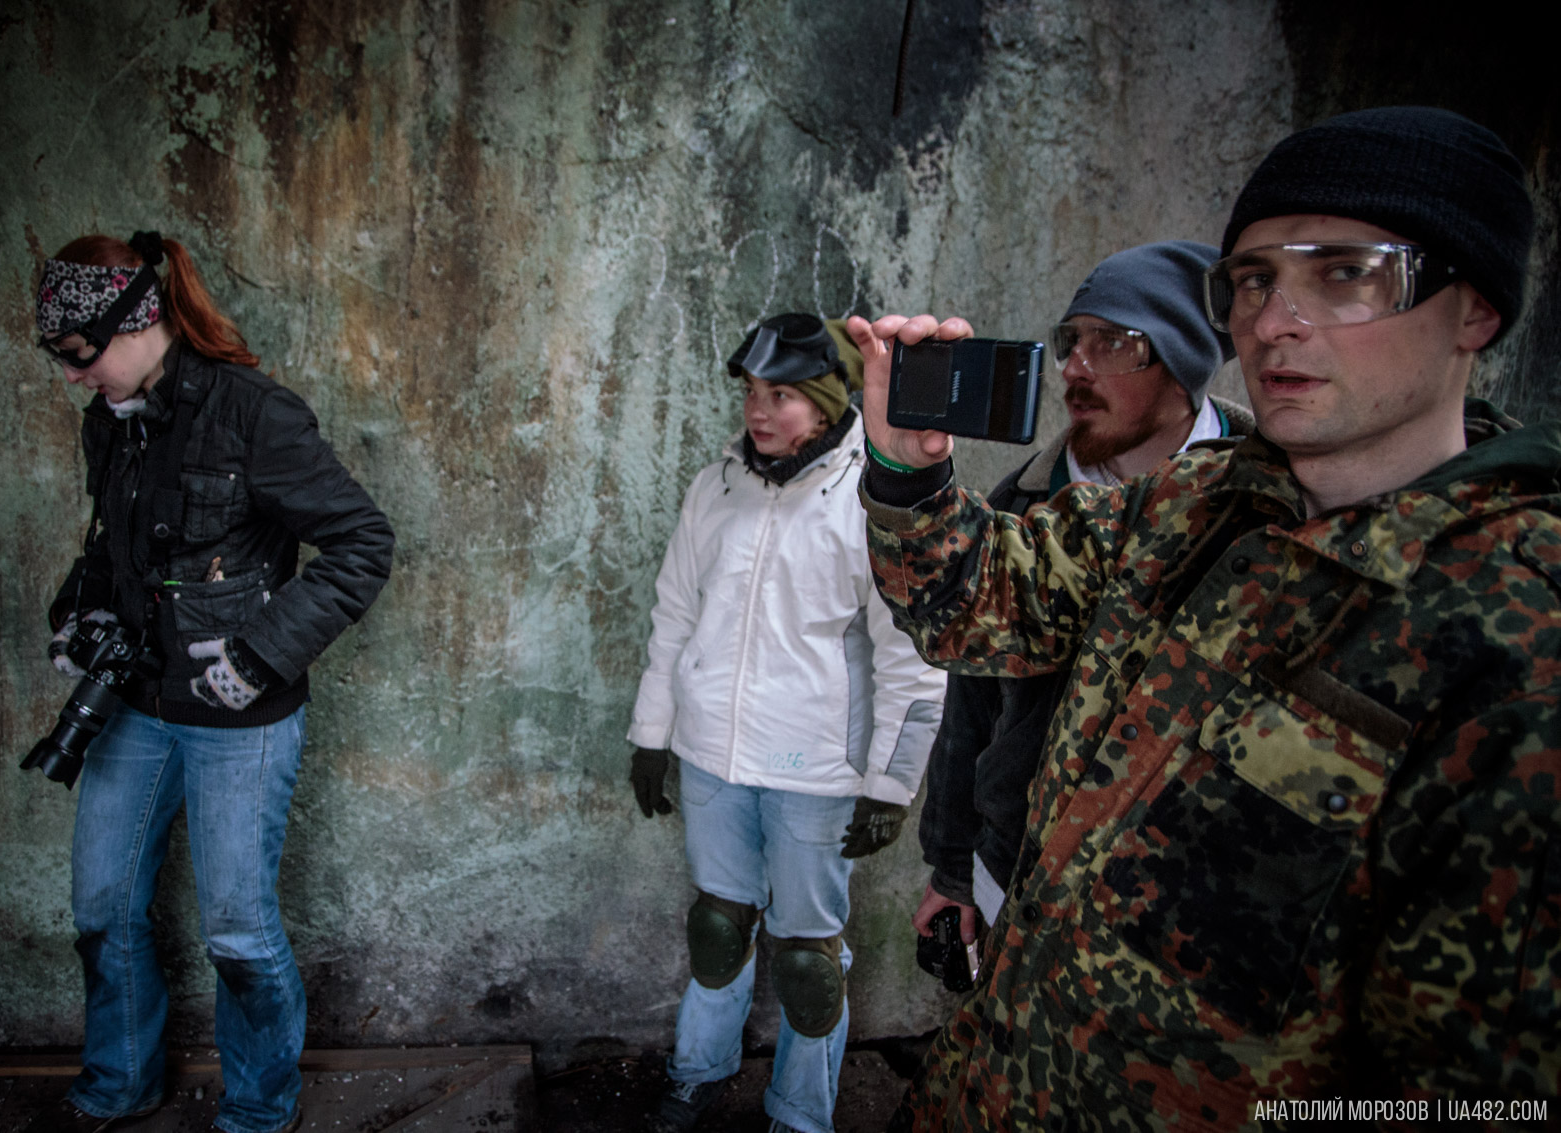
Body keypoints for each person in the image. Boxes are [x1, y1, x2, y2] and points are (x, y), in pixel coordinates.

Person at [854, 107, 1559, 1127]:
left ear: (1475, 310)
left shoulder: (1518, 643)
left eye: (1345, 272)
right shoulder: (1197, 502)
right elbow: (981, 605)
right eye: (1254, 279)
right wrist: (904, 469)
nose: (1274, 320)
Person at [25, 231, 394, 1133]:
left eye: (81, 354)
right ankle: (120, 1082)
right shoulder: (109, 420)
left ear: (135, 321)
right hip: (135, 707)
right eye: (61, 358)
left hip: (241, 719)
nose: (73, 376)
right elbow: (111, 547)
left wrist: (258, 658)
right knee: (102, 906)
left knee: (236, 929)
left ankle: (259, 1109)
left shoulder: (254, 413)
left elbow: (362, 543)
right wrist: (81, 615)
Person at [626, 313, 946, 1133]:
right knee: (717, 928)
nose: (759, 412)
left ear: (829, 399)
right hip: (712, 757)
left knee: (808, 962)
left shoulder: (871, 500)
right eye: (751, 393)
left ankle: (801, 1115)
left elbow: (913, 656)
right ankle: (697, 1072)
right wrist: (652, 733)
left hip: (816, 774)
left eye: (782, 396)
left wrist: (890, 784)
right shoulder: (716, 487)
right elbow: (674, 615)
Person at [912, 242, 1253, 951]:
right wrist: (952, 867)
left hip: (1180, 901)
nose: (1074, 366)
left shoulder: (1262, 505)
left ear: (1184, 364)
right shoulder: (1024, 502)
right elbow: (971, 701)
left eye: (1113, 342)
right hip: (1019, 870)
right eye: (1073, 340)